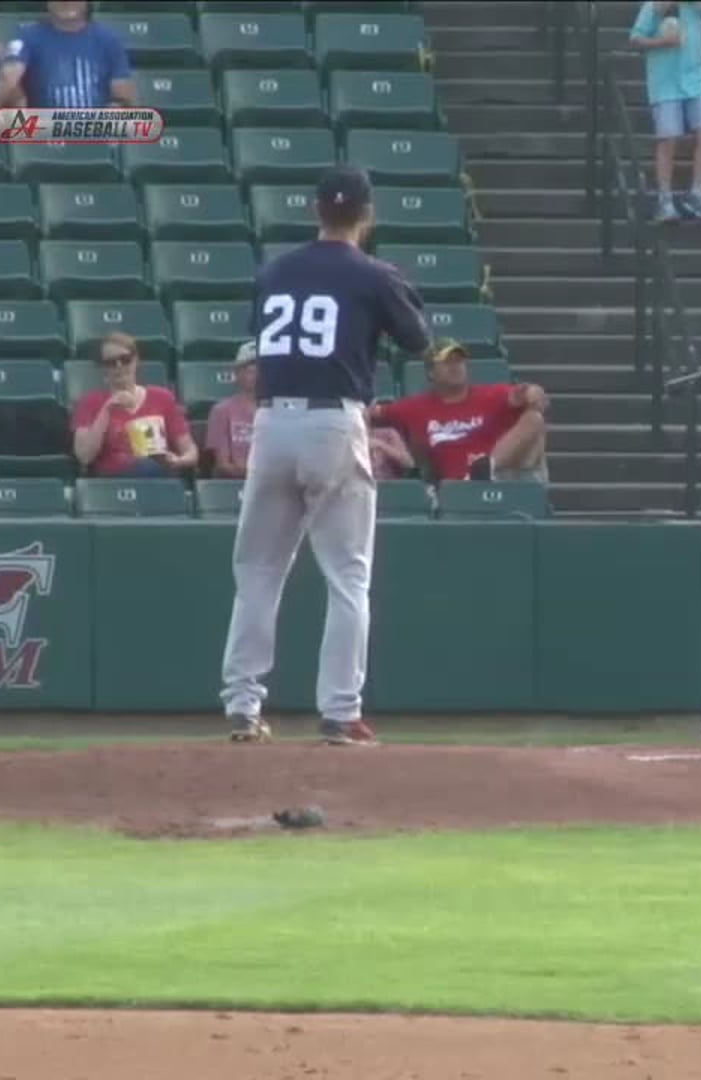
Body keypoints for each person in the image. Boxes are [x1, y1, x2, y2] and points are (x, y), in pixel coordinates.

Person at [219, 166, 431, 748]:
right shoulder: (373, 273)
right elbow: (419, 341)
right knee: (348, 576)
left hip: (271, 423)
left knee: (257, 572)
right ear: (367, 214)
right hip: (334, 422)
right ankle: (339, 712)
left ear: (316, 210)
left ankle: (242, 704)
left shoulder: (275, 271)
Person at [371, 339, 549, 484]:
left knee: (534, 418)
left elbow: (533, 394)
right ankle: (479, 475)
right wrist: (376, 443)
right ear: (431, 372)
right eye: (447, 362)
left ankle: (487, 467)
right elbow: (368, 414)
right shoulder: (414, 407)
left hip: (501, 479)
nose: (455, 366)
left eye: (459, 360)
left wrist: (533, 393)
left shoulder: (492, 395)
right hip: (456, 489)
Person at [628, 0, 701, 224]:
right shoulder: (654, 6)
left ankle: (697, 193)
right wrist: (662, 42)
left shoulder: (700, 5)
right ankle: (665, 199)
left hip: (697, 77)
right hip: (664, 81)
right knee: (668, 138)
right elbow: (635, 40)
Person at [70, 332, 197, 477]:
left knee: (151, 466)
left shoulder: (162, 398)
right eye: (111, 363)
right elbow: (84, 456)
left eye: (125, 360)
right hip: (114, 481)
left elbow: (190, 452)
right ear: (103, 368)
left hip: (159, 474)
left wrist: (179, 461)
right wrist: (106, 410)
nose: (119, 366)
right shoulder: (90, 402)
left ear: (136, 360)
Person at [0, 0, 133, 116]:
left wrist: (114, 111)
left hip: (95, 132)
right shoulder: (27, 37)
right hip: (44, 132)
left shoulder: (108, 40)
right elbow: (9, 74)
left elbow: (122, 96)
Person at [204, 341, 260, 479]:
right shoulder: (221, 411)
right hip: (234, 482)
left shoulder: (277, 411)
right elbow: (223, 465)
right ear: (237, 373)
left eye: (261, 370)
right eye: (250, 370)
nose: (256, 375)